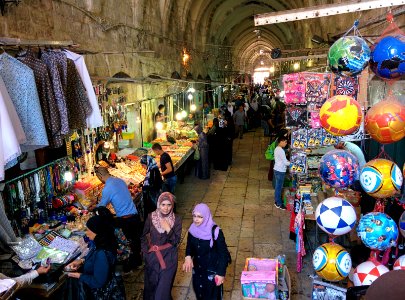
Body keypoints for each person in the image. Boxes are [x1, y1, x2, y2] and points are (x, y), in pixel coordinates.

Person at [93, 166, 142, 271]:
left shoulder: (107, 188)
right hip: (135, 214)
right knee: (135, 239)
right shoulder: (120, 180)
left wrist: (92, 209)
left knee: (127, 242)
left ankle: (130, 265)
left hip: (125, 219)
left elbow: (101, 207)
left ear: (100, 176)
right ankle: (138, 261)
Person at [65, 215, 125, 299]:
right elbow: (93, 259)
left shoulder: (101, 253)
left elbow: (98, 282)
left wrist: (79, 276)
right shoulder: (101, 242)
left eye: (88, 230)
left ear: (97, 231)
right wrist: (81, 261)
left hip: (102, 294)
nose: (86, 232)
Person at [182, 203, 229, 300]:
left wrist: (220, 274)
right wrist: (188, 256)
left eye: (200, 217)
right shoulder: (192, 229)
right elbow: (189, 246)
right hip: (198, 272)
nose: (196, 219)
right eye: (194, 216)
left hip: (211, 273)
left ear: (206, 216)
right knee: (200, 295)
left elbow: (223, 255)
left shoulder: (216, 232)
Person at [141, 192, 182, 300]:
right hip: (153, 258)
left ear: (172, 205)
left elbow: (176, 241)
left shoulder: (177, 219)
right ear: (158, 204)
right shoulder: (151, 217)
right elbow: (143, 236)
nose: (166, 208)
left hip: (169, 258)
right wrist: (146, 253)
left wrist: (168, 228)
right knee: (152, 287)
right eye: (163, 204)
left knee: (162, 292)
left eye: (169, 205)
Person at [140, 155, 163, 219]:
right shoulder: (153, 169)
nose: (142, 167)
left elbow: (153, 185)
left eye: (143, 165)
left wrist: (144, 187)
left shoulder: (152, 171)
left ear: (147, 163)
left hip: (152, 197)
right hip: (154, 196)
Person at [273, 136, 290, 210]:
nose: (286, 143)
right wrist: (294, 163)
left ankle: (277, 201)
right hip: (280, 171)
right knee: (279, 188)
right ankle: (278, 203)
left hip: (277, 169)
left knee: (278, 187)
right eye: (285, 142)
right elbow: (285, 162)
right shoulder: (280, 150)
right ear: (281, 142)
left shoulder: (278, 149)